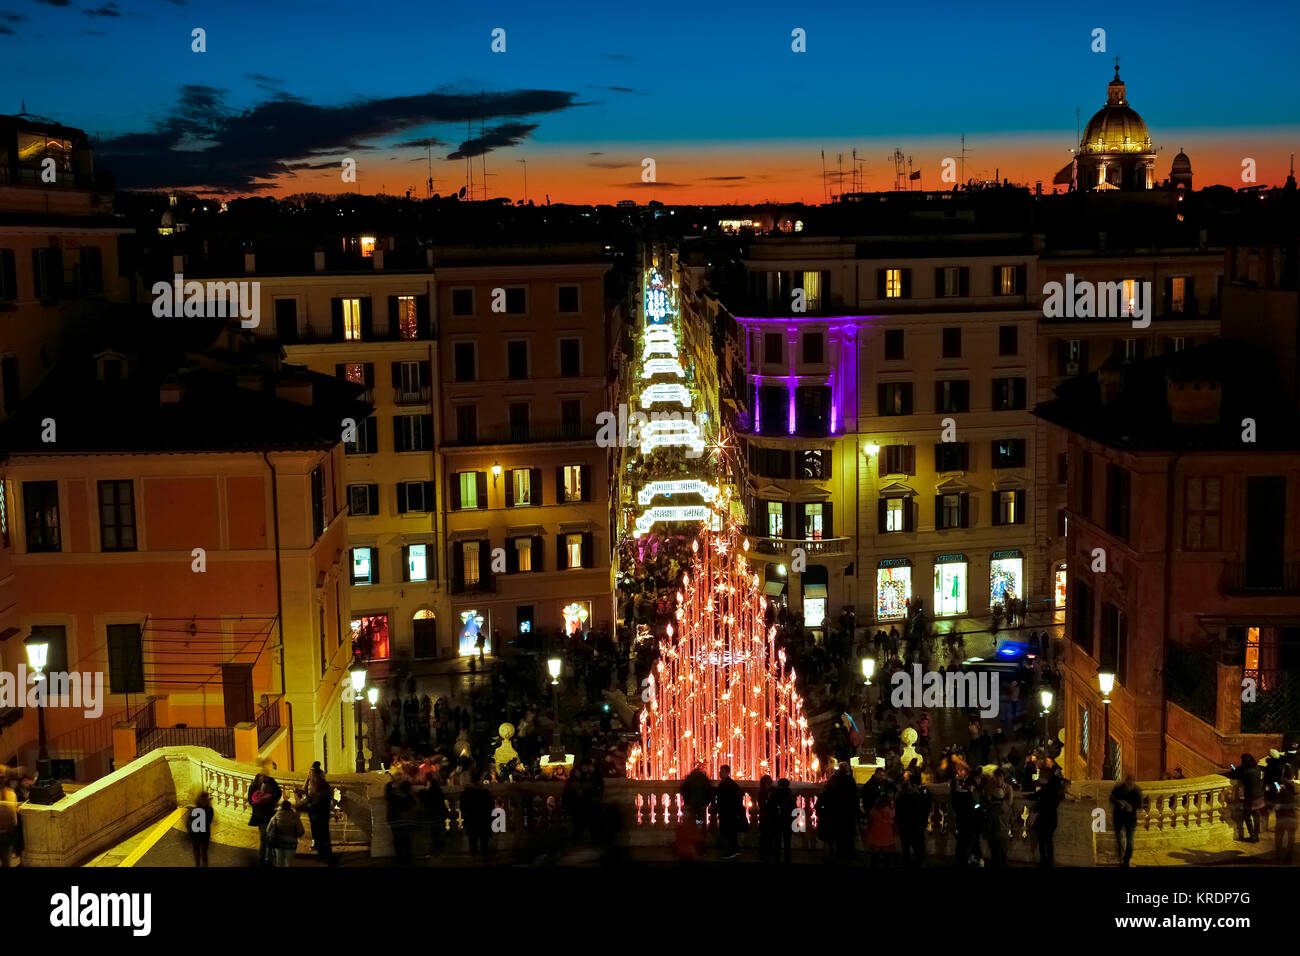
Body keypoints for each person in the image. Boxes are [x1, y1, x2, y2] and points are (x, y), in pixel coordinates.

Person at [1032, 764, 1067, 867]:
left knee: (1042, 841)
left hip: (1043, 818)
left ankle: (1044, 861)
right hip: (1052, 819)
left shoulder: (1046, 789)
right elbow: (1062, 796)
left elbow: (1035, 796)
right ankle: (1050, 861)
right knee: (1049, 841)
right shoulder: (1058, 792)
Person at [301, 761, 335, 864]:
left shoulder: (322, 787)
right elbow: (310, 797)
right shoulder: (315, 785)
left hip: (320, 815)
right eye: (310, 774)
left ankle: (327, 857)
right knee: (318, 836)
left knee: (323, 837)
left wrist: (306, 807)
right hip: (316, 815)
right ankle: (322, 855)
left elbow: (317, 801)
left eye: (312, 774)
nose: (310, 776)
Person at [895, 771, 931, 867]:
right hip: (916, 827)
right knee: (918, 850)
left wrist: (898, 824)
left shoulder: (901, 796)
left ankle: (906, 863)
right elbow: (925, 811)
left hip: (905, 827)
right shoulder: (921, 798)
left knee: (906, 850)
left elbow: (898, 812)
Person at [1109, 773, 1143, 866]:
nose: (1129, 785)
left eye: (1131, 783)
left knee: (1129, 842)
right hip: (1118, 818)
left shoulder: (1136, 791)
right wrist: (1119, 802)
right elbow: (1111, 798)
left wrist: (1131, 807)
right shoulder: (1119, 788)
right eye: (1128, 783)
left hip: (1130, 819)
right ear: (1125, 781)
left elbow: (1140, 805)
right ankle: (1121, 859)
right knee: (1119, 840)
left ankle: (1126, 860)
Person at [1228, 753, 1263, 842]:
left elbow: (1234, 775)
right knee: (1256, 816)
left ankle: (1252, 836)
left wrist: (1233, 768)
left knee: (1247, 816)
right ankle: (1257, 835)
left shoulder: (1244, 771)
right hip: (1259, 796)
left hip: (1250, 797)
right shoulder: (1257, 768)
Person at [984, 768, 1014, 867]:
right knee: (1003, 854)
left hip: (995, 832)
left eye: (1000, 777)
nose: (998, 779)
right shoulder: (990, 787)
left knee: (997, 855)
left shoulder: (1008, 788)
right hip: (1004, 832)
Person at [460, 775, 495, 857]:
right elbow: (490, 806)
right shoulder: (484, 792)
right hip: (483, 820)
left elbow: (463, 807)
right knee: (484, 842)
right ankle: (484, 857)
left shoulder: (466, 793)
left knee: (473, 842)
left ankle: (474, 858)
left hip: (471, 820)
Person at [385, 772, 416, 865]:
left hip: (402, 816)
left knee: (404, 838)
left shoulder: (405, 786)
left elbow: (410, 800)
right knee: (398, 838)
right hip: (396, 816)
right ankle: (401, 857)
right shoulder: (390, 787)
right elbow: (391, 799)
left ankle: (405, 857)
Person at [715, 765, 745, 860]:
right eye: (720, 771)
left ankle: (734, 849)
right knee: (728, 831)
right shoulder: (725, 783)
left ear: (728, 773)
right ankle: (735, 849)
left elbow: (735, 798)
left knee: (727, 830)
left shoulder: (730, 784)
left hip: (729, 812)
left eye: (722, 771)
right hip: (726, 811)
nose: (720, 773)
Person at [248, 780, 279, 866]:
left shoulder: (256, 798)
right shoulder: (269, 800)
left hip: (260, 823)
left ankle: (261, 856)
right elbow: (271, 812)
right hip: (268, 823)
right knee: (269, 841)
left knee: (262, 840)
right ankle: (269, 858)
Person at [265, 800, 304, 866]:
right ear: (290, 807)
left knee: (279, 862)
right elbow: (301, 831)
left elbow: (268, 830)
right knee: (289, 863)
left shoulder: (275, 817)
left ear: (281, 807)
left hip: (279, 843)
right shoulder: (295, 818)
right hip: (291, 844)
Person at [766, 778, 795, 864]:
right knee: (787, 841)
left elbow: (770, 806)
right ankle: (787, 859)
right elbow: (793, 807)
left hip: (777, 820)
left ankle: (777, 858)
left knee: (777, 841)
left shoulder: (775, 793)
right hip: (787, 820)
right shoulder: (790, 794)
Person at [864, 794, 896, 866]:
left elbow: (869, 823)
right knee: (886, 854)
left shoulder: (873, 811)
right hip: (887, 834)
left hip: (876, 834)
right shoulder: (892, 810)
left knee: (875, 854)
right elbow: (894, 822)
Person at [1275, 766, 1297, 863]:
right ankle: (1289, 858)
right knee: (1291, 838)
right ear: (1293, 776)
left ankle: (1278, 857)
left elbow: (1277, 804)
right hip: (1294, 816)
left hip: (1283, 816)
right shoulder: (1297, 787)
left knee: (1279, 836)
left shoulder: (1282, 789)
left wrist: (1278, 788)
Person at [187, 791, 215, 867]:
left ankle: (197, 864)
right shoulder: (209, 810)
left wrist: (189, 834)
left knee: (196, 850)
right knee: (204, 853)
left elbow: (189, 823)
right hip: (204, 834)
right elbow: (209, 821)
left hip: (195, 835)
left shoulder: (193, 810)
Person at [0, 774, 18, 867]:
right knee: (6, 860)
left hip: (7, 834)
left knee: (6, 859)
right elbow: (14, 819)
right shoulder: (11, 793)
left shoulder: (11, 793)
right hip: (8, 832)